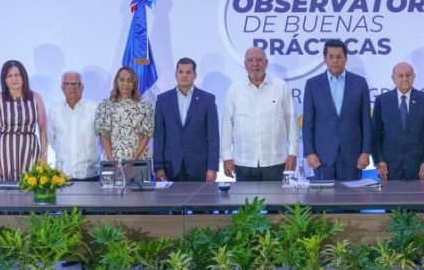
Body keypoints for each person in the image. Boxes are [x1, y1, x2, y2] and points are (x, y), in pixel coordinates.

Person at [221, 47, 296, 181]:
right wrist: (226, 156)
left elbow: (291, 122)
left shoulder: (281, 87)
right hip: (243, 161)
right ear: (245, 64)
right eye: (250, 60)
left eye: (259, 60)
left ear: (266, 62)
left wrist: (293, 153)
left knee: (276, 201)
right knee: (246, 202)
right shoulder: (234, 89)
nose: (255, 64)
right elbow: (227, 124)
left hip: (276, 161)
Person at [302, 39, 372, 181]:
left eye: (339, 56)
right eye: (331, 56)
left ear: (346, 59)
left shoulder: (360, 83)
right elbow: (308, 123)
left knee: (351, 200)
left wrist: (365, 152)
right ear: (325, 59)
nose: (335, 60)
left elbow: (366, 121)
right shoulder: (312, 85)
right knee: (323, 200)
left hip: (353, 156)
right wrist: (309, 152)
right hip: (322, 157)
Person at [153, 58, 219, 182]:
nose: (184, 75)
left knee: (200, 201)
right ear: (176, 74)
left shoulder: (207, 100)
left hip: (199, 167)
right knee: (170, 201)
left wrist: (212, 167)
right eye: (181, 72)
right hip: (170, 167)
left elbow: (213, 137)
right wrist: (158, 167)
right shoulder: (163, 100)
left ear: (195, 75)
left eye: (188, 72)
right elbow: (159, 137)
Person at [371, 62, 424, 181]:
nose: (405, 78)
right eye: (400, 75)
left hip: (419, 166)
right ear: (393, 78)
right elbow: (375, 135)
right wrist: (379, 160)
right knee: (390, 199)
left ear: (414, 77)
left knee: (419, 199)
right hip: (389, 167)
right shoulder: (382, 100)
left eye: (408, 75)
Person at [0, 60, 48, 181]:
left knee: (31, 187)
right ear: (4, 79)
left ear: (23, 77)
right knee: (5, 192)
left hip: (30, 150)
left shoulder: (36, 98)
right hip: (5, 152)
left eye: (17, 75)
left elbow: (43, 130)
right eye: (9, 76)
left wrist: (44, 156)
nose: (13, 79)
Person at [46, 71, 100, 181]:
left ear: (82, 87)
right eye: (67, 84)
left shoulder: (95, 109)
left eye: (76, 84)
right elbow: (52, 140)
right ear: (62, 88)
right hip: (62, 176)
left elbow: (103, 139)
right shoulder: (54, 111)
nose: (72, 88)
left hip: (90, 175)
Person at [96, 66, 155, 164]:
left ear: (134, 83)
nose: (125, 84)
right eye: (122, 80)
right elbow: (104, 135)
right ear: (116, 82)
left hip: (139, 162)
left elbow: (146, 135)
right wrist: (113, 162)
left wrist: (133, 161)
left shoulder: (145, 106)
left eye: (129, 80)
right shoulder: (105, 105)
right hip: (112, 162)